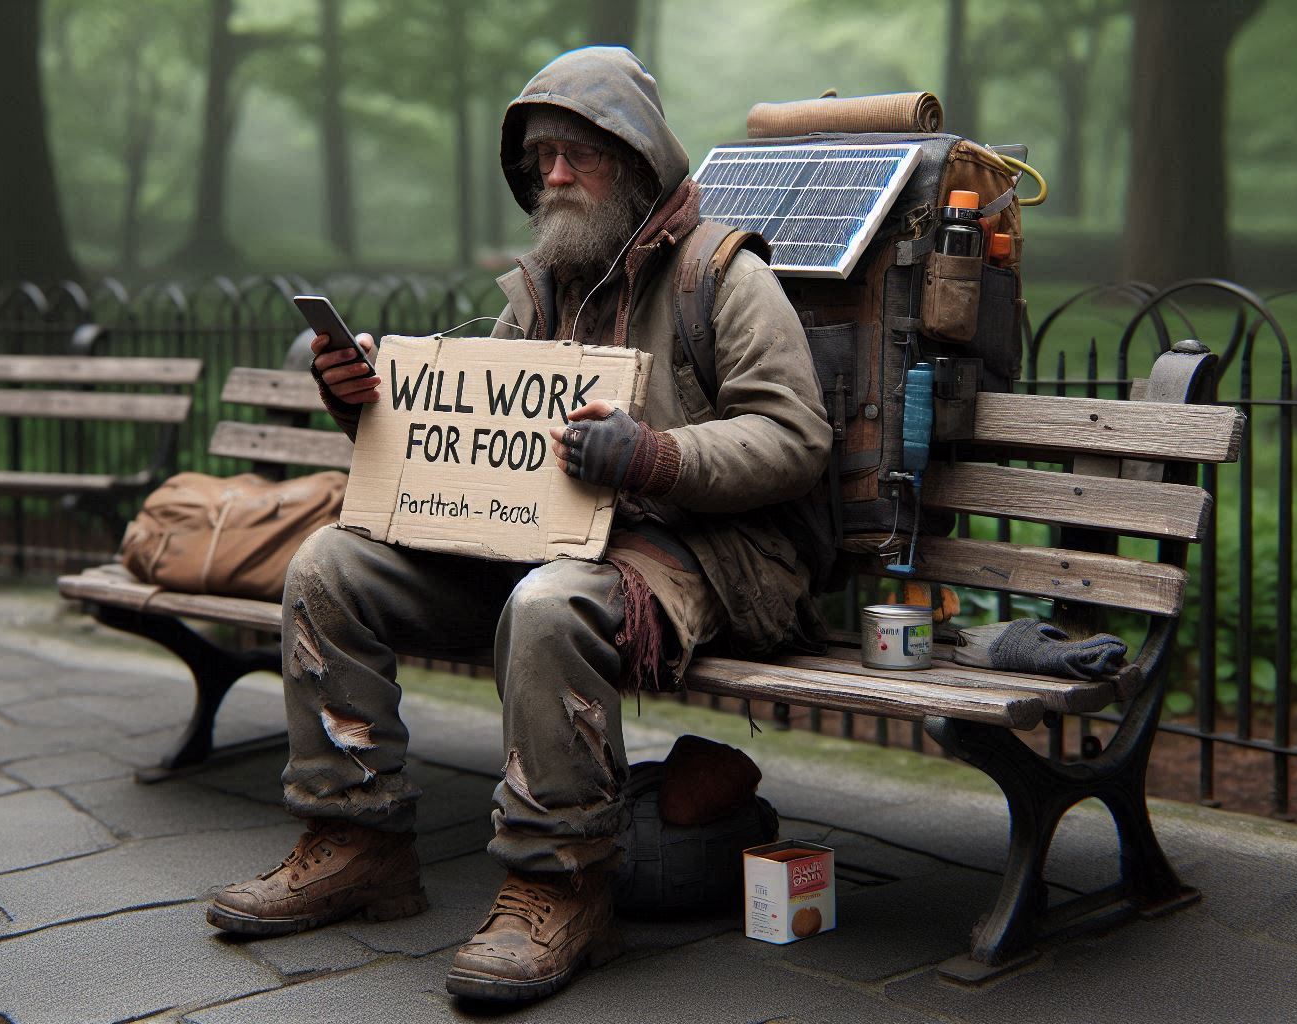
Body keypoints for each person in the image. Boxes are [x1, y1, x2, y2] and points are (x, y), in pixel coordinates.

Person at [207, 45, 830, 1003]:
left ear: (632, 159)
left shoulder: (723, 277)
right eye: (540, 158)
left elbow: (795, 436)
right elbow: (461, 449)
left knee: (549, 603)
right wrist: (362, 407)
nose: (553, 175)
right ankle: (356, 838)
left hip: (683, 551)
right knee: (329, 563)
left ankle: (561, 883)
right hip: (533, 541)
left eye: (574, 153)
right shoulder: (538, 293)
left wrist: (656, 455)